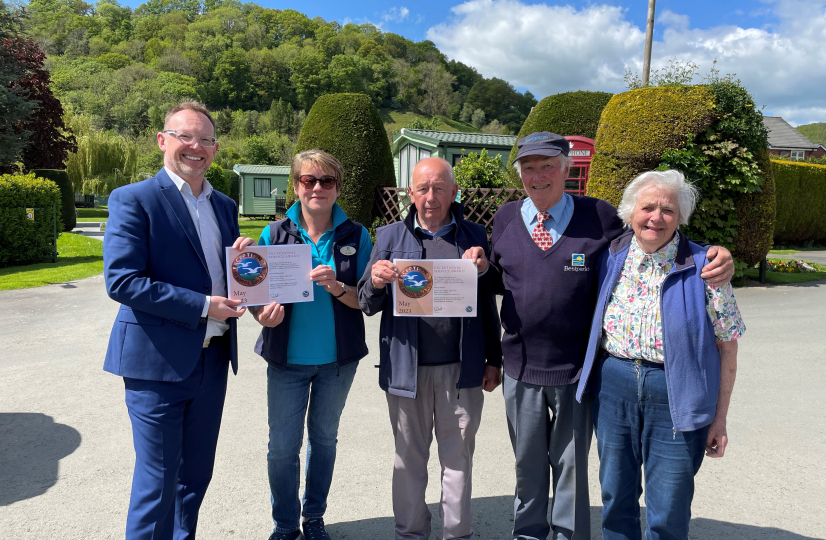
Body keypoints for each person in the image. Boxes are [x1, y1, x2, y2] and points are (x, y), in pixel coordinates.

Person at [487, 132, 735, 540]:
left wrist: (717, 252)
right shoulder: (506, 218)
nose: (538, 176)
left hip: (577, 373)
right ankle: (528, 535)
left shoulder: (599, 217)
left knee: (575, 471)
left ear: (567, 170)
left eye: (548, 165)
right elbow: (495, 280)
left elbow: (654, 238)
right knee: (533, 468)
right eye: (529, 168)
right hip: (523, 366)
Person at [103, 100, 248, 540]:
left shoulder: (224, 205)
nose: (195, 146)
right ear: (163, 141)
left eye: (205, 139)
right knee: (157, 483)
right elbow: (123, 281)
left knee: (195, 478)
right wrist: (204, 305)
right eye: (185, 136)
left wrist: (242, 267)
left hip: (213, 360)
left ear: (216, 148)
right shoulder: (133, 199)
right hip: (157, 364)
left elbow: (218, 273)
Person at [576, 170, 744, 540]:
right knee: (615, 496)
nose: (656, 217)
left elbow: (728, 345)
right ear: (630, 212)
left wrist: (719, 419)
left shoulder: (707, 267)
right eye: (647, 207)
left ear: (680, 217)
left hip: (676, 393)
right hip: (614, 383)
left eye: (667, 209)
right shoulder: (609, 255)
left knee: (668, 507)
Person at [357, 157, 502, 540]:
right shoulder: (388, 237)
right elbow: (367, 303)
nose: (431, 197)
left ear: (454, 192)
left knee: (457, 460)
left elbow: (487, 302)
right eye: (423, 188)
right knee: (409, 459)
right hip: (407, 371)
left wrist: (493, 359)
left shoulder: (474, 236)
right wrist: (374, 280)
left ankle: (457, 534)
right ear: (411, 193)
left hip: (462, 370)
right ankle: (410, 534)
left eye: (439, 188)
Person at [243, 149, 373, 540]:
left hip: (337, 362)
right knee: (282, 448)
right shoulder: (274, 233)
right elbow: (256, 296)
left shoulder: (357, 235)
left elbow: (365, 300)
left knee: (324, 441)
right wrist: (261, 315)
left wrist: (337, 286)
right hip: (287, 360)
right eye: (308, 180)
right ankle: (285, 524)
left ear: (337, 187)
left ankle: (313, 518)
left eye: (326, 181)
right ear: (296, 186)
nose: (317, 187)